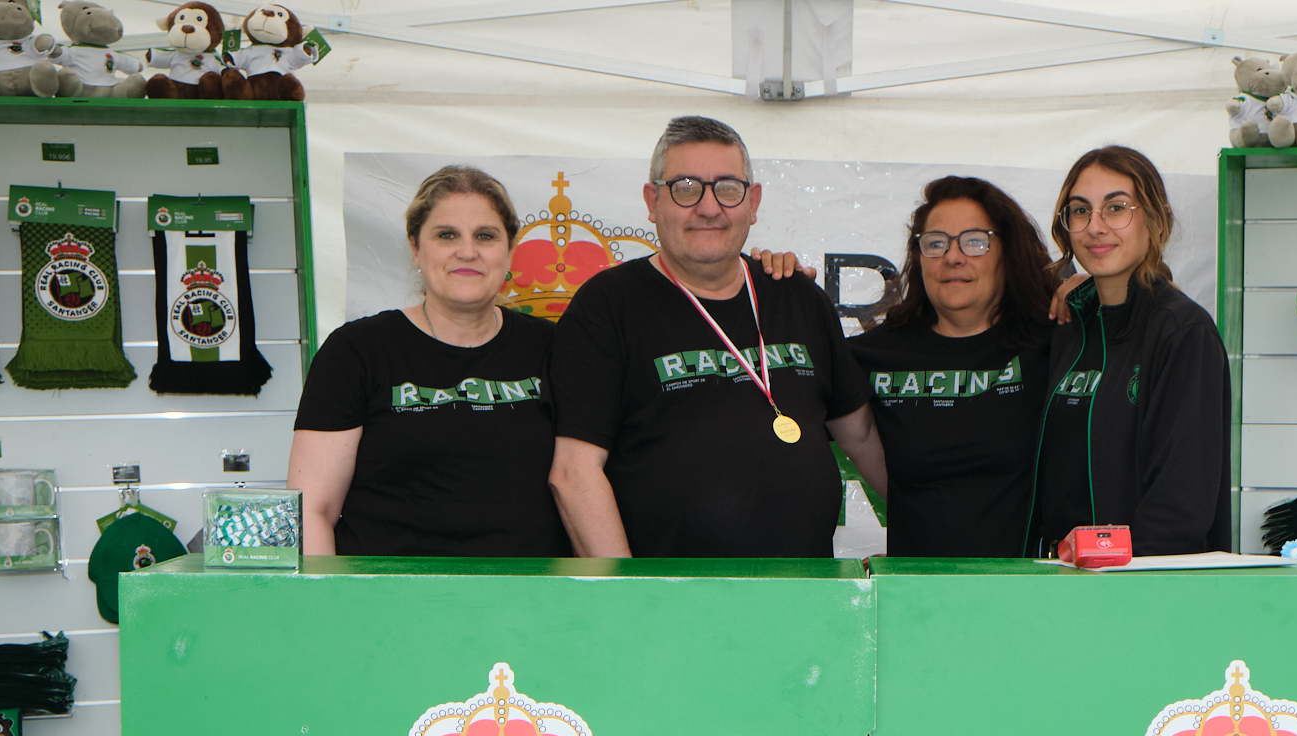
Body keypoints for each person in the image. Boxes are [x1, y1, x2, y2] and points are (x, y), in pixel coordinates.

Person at [548, 115, 886, 558]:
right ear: (652, 201)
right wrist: (627, 591)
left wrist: (934, 526)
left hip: (804, 588)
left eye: (727, 188)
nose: (708, 208)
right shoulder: (607, 307)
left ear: (753, 201)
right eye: (686, 188)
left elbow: (860, 436)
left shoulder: (798, 296)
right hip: (668, 591)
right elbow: (574, 474)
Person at [287, 165, 568, 557]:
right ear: (415, 247)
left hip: (532, 592)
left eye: (485, 236)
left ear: (509, 250)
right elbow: (312, 509)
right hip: (390, 591)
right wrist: (330, 594)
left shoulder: (556, 348)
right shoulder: (355, 351)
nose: (467, 251)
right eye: (446, 235)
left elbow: (581, 478)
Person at [1030, 145, 1232, 557]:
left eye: (1116, 208)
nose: (1095, 226)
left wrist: (1113, 571)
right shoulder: (1070, 325)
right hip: (1059, 579)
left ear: (1156, 218)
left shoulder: (1183, 333)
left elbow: (1181, 505)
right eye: (1080, 210)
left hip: (1135, 582)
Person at [848, 176, 1054, 557]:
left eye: (975, 241)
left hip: (1025, 587)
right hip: (915, 589)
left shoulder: (1054, 345)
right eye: (936, 243)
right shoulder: (874, 355)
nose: (953, 256)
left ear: (1008, 252)